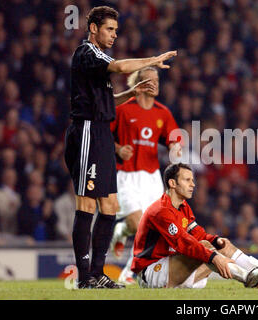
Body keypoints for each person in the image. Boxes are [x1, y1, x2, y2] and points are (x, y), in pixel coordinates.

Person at [64, 6, 177, 289]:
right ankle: (84, 276)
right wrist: (153, 60)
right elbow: (119, 66)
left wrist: (131, 93)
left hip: (101, 130)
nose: (114, 34)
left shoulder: (96, 61)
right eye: (109, 29)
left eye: (116, 30)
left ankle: (99, 273)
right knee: (87, 203)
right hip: (87, 130)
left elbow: (106, 101)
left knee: (110, 205)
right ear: (93, 29)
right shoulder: (87, 53)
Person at [132, 163, 258, 289]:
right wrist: (213, 257)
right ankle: (248, 278)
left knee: (220, 245)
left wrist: (216, 241)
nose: (193, 184)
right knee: (205, 249)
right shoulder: (161, 210)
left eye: (192, 180)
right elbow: (183, 242)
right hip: (151, 273)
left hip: (176, 271)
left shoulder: (183, 206)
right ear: (172, 183)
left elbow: (198, 234)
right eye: (187, 180)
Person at [109, 66, 182, 285]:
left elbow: (174, 137)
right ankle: (122, 229)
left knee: (149, 228)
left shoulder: (162, 112)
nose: (156, 83)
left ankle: (128, 273)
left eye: (157, 79)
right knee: (136, 223)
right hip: (126, 175)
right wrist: (118, 149)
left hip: (151, 178)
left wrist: (175, 148)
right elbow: (102, 132)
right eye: (150, 80)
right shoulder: (123, 109)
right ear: (138, 85)